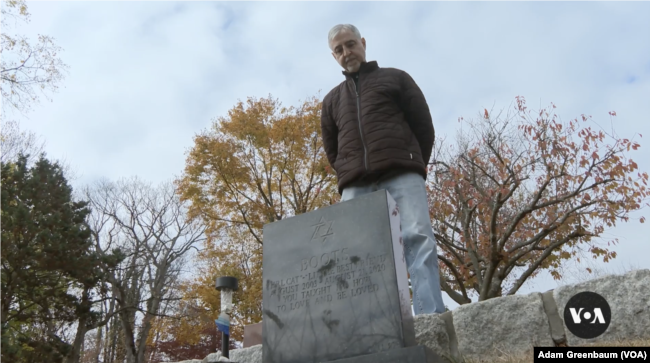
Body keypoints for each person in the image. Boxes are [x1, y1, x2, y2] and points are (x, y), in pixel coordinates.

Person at [320, 24, 446, 315]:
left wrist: (413, 162)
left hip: (402, 173)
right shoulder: (331, 101)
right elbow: (332, 148)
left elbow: (423, 126)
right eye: (338, 50)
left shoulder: (396, 78)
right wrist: (347, 171)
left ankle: (430, 317)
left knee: (418, 239)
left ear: (363, 43)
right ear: (333, 56)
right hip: (356, 185)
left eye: (350, 44)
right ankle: (373, 326)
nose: (346, 52)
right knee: (355, 253)